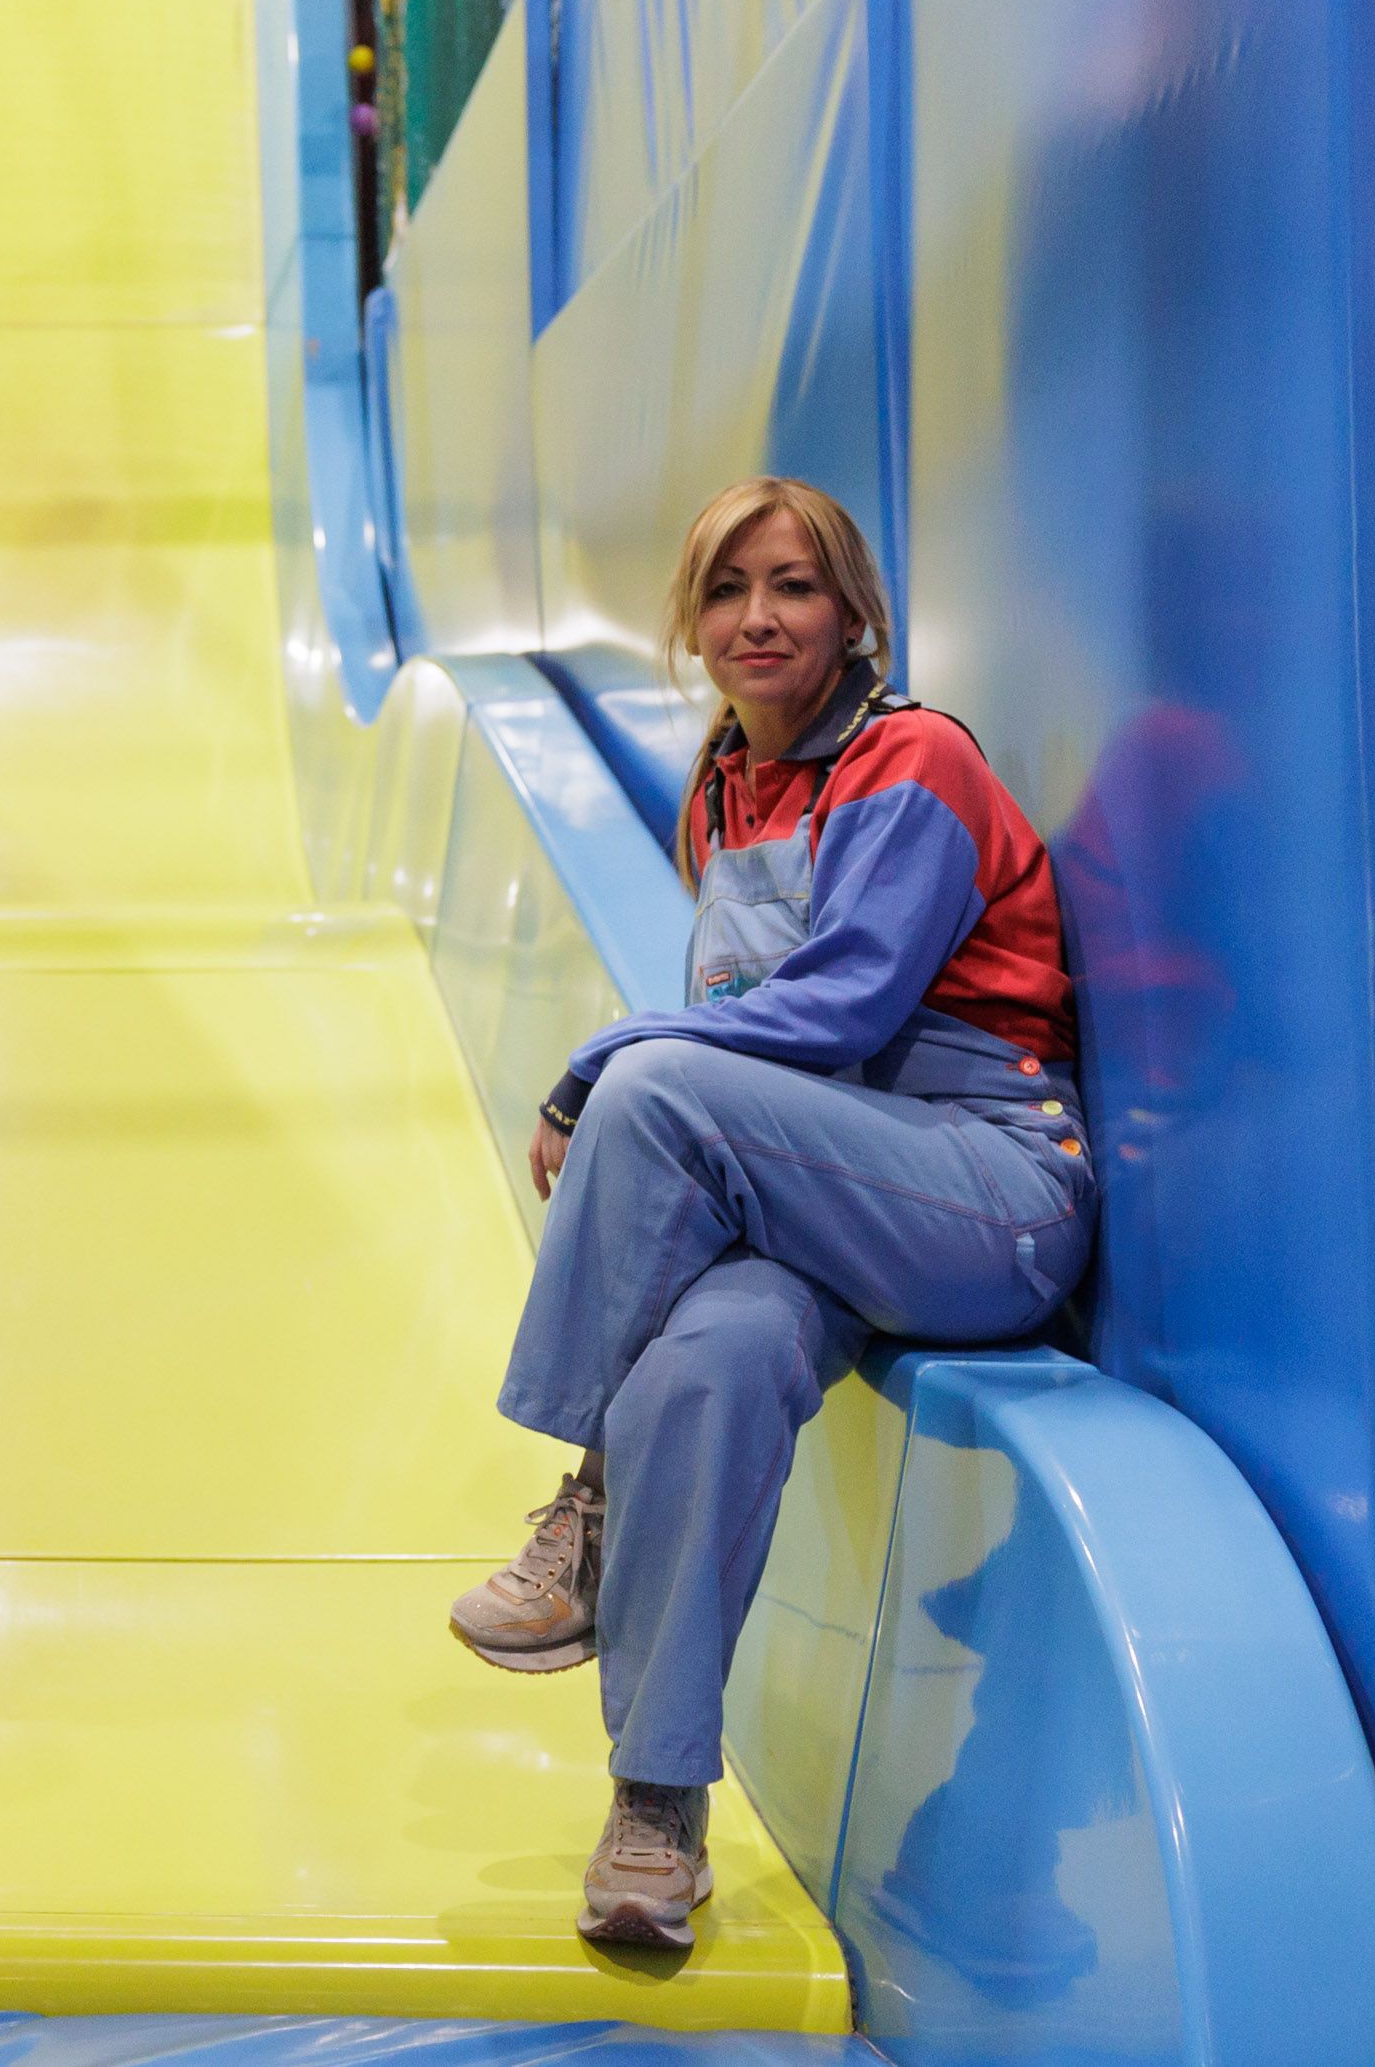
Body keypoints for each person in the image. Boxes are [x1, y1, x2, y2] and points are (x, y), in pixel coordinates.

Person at [446, 476, 1091, 1952]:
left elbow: (844, 1004)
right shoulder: (725, 788)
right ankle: (657, 1809)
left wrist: (592, 1065)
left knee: (655, 1088)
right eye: (728, 590)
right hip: (830, 1180)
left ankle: (585, 1509)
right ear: (691, 621)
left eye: (793, 586)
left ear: (854, 610)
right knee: (708, 1366)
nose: (758, 618)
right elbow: (756, 1029)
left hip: (982, 1185)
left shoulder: (910, 760)